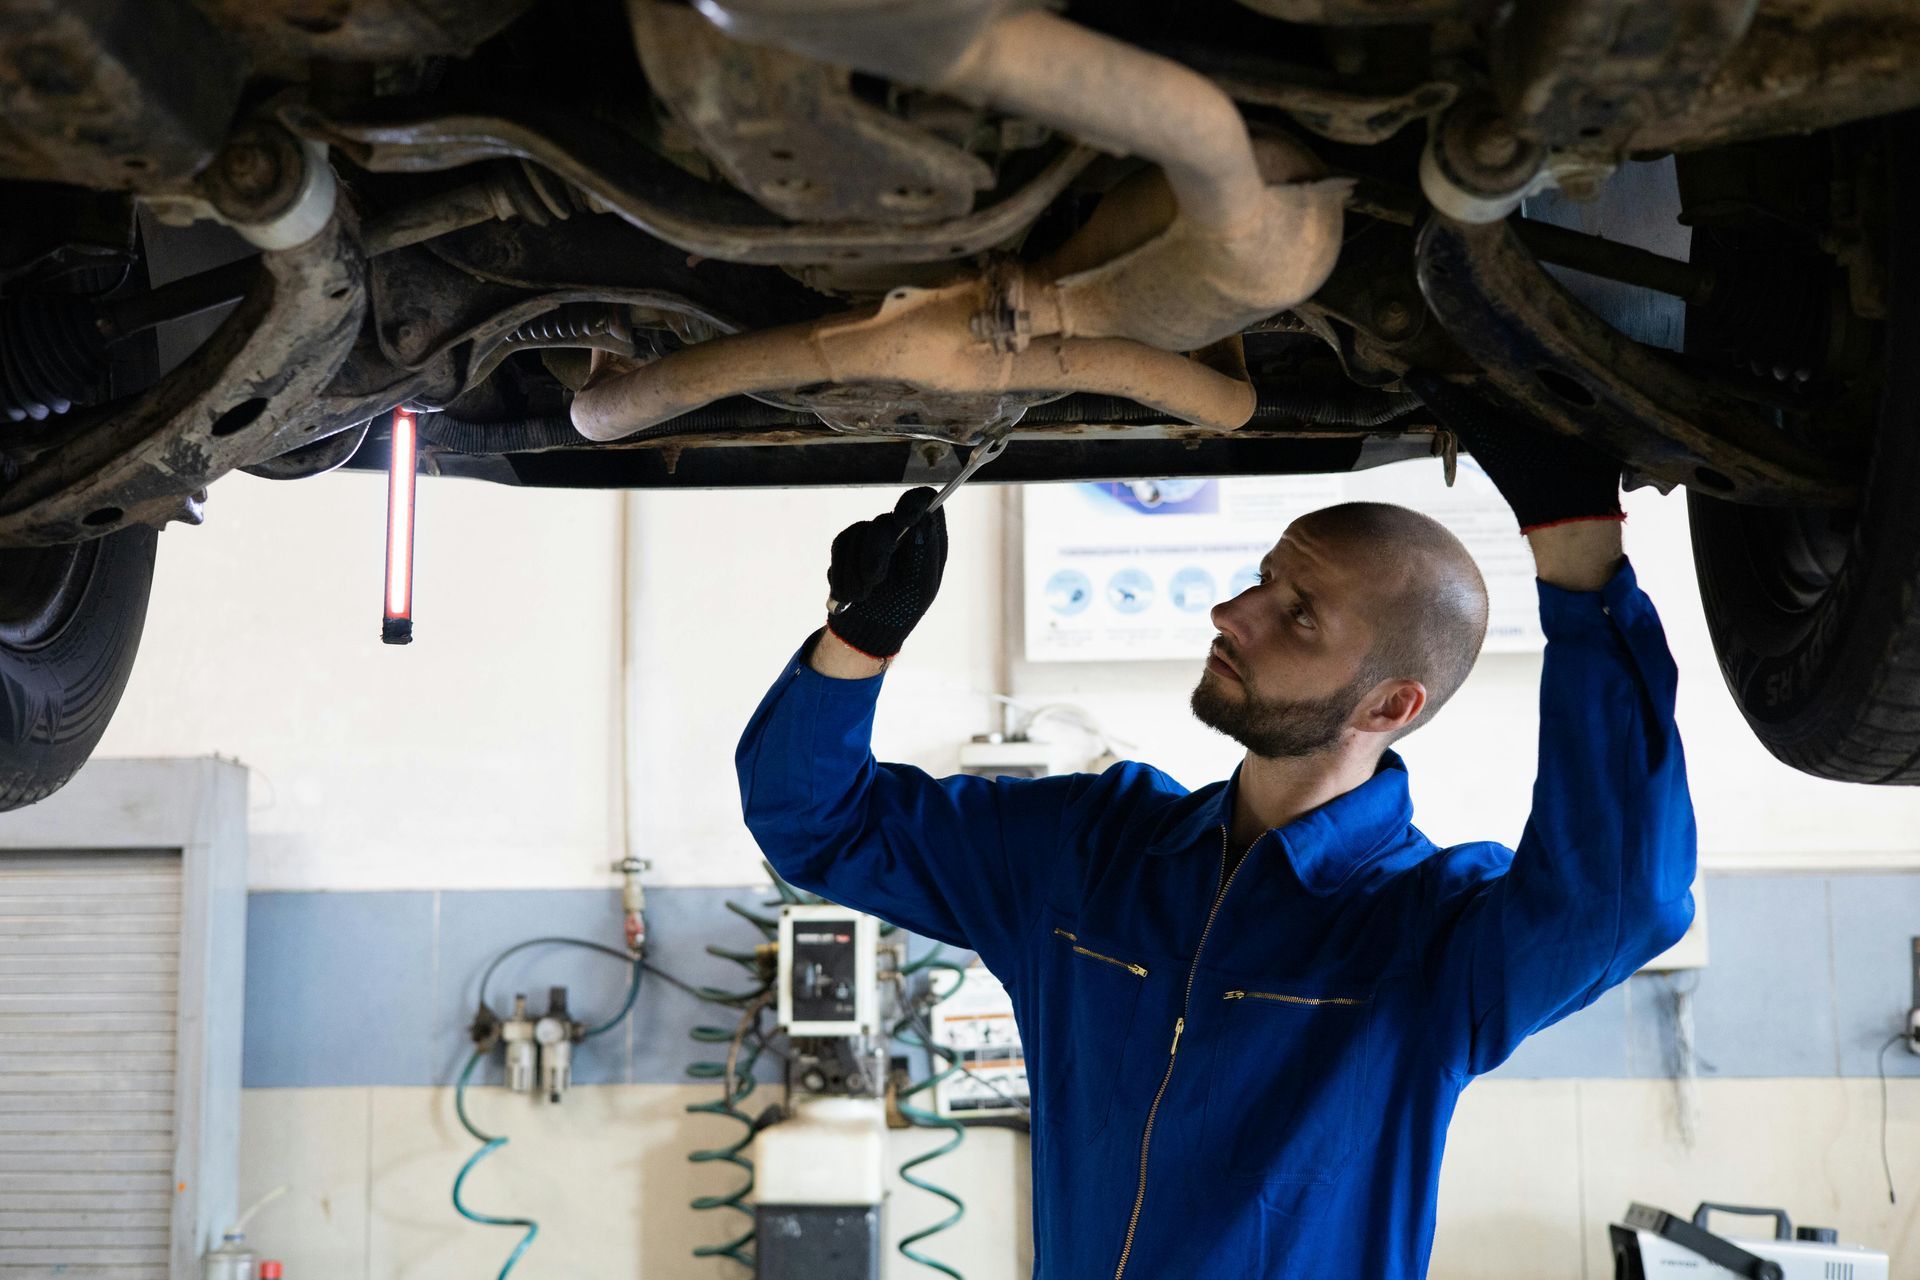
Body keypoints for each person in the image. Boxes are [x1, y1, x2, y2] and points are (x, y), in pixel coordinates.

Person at [735, 396, 1697, 1278]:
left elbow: (1620, 903)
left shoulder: (1429, 938)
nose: (1231, 613)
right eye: (1260, 581)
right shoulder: (1090, 853)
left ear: (1391, 704)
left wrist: (1581, 562)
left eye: (1298, 615)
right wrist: (861, 639)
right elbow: (816, 823)